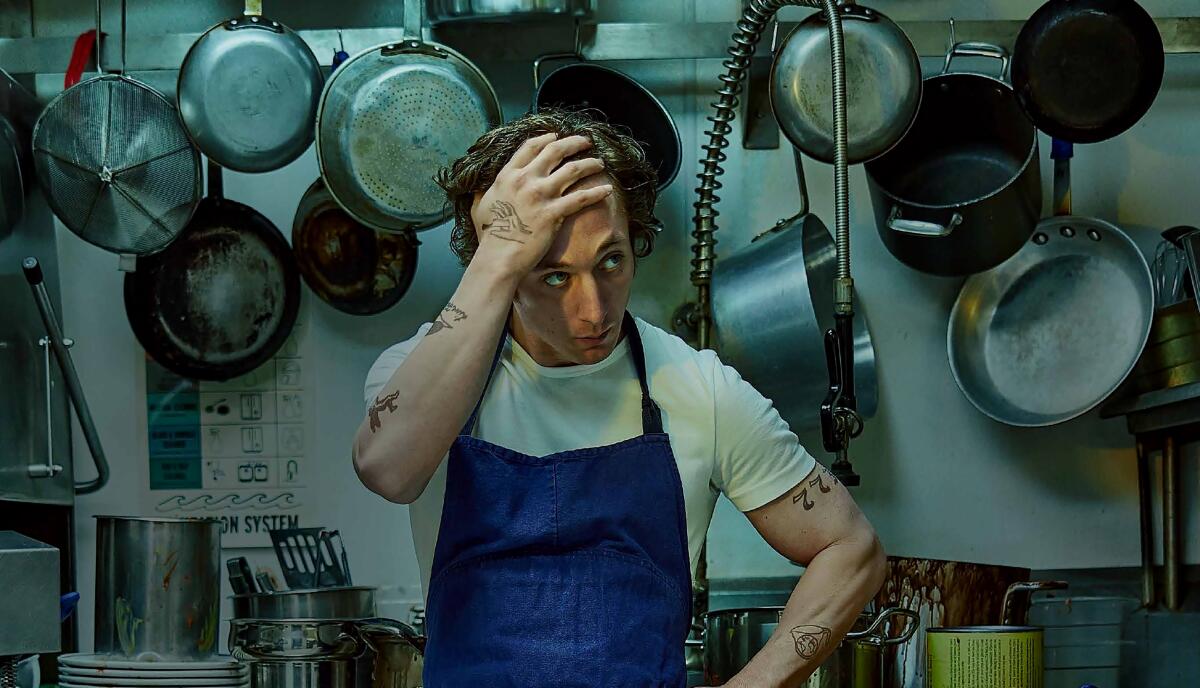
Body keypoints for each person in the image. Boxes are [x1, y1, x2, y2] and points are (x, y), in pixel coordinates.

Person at [354, 109, 885, 687]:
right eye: (553, 276)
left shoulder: (698, 390)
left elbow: (850, 548)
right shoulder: (423, 376)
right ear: (501, 270)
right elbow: (387, 470)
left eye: (611, 262)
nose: (594, 311)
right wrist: (498, 252)